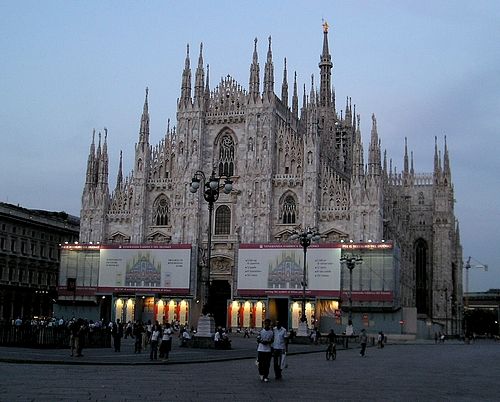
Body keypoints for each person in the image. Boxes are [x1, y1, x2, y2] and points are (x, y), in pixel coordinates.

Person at [257, 318, 274, 382]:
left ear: (269, 324)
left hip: (268, 350)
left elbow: (272, 340)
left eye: (268, 323)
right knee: (260, 363)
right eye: (266, 323)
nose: (266, 325)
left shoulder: (271, 332)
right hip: (261, 349)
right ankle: (261, 373)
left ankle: (266, 376)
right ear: (264, 324)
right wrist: (262, 342)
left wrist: (268, 342)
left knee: (267, 364)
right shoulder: (261, 331)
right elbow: (258, 339)